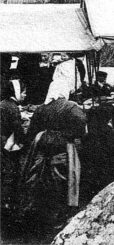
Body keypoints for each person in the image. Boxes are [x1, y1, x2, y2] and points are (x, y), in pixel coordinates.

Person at [18, 91, 87, 230]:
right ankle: (58, 216)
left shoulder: (42, 107)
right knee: (63, 178)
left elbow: (33, 129)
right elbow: (81, 125)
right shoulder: (71, 106)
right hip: (62, 144)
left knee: (39, 176)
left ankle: (38, 214)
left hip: (43, 142)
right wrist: (70, 135)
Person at [1, 79, 25, 218]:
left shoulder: (3, 104)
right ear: (16, 92)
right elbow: (17, 128)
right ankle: (7, 204)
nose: (25, 95)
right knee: (10, 171)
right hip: (6, 142)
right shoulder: (12, 107)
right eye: (23, 92)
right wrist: (24, 142)